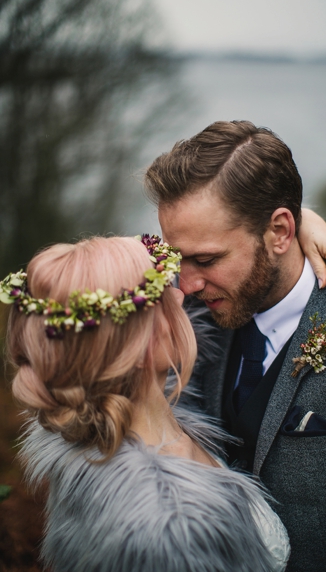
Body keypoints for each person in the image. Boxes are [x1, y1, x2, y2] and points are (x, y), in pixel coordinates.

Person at [145, 120, 326, 572]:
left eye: (207, 260)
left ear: (280, 232)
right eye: (176, 259)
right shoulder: (189, 307)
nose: (185, 284)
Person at [5, 233, 291, 571]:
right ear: (138, 346)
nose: (183, 294)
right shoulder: (167, 530)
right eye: (164, 295)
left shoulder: (111, 424)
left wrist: (289, 231)